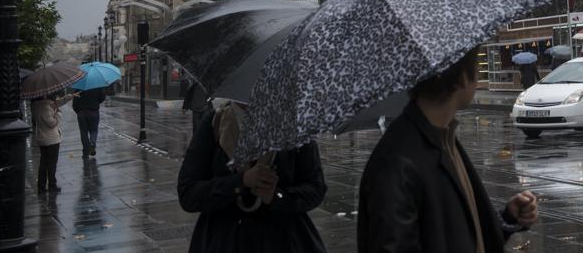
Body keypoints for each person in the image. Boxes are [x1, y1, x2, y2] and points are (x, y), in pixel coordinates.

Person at [358, 48, 539, 252]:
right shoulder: (397, 162)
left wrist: (508, 217)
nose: (478, 81)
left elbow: (454, 232)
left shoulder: (443, 136)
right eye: (477, 72)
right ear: (462, 79)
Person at [177, 100, 328, 252]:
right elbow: (188, 193)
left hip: (283, 241)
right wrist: (239, 182)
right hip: (224, 241)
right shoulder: (215, 122)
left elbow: (316, 188)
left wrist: (277, 196)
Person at [31, 92, 72, 193]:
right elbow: (52, 123)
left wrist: (67, 98)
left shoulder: (37, 105)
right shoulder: (44, 106)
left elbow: (55, 104)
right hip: (51, 139)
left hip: (42, 138)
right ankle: (51, 185)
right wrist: (58, 114)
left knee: (44, 163)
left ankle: (41, 186)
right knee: (51, 164)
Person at [72, 86, 106, 158]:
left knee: (84, 133)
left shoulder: (79, 87)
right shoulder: (97, 86)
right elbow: (102, 97)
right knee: (94, 130)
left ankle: (85, 152)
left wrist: (78, 112)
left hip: (81, 113)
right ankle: (92, 145)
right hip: (93, 112)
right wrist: (96, 102)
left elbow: (74, 103)